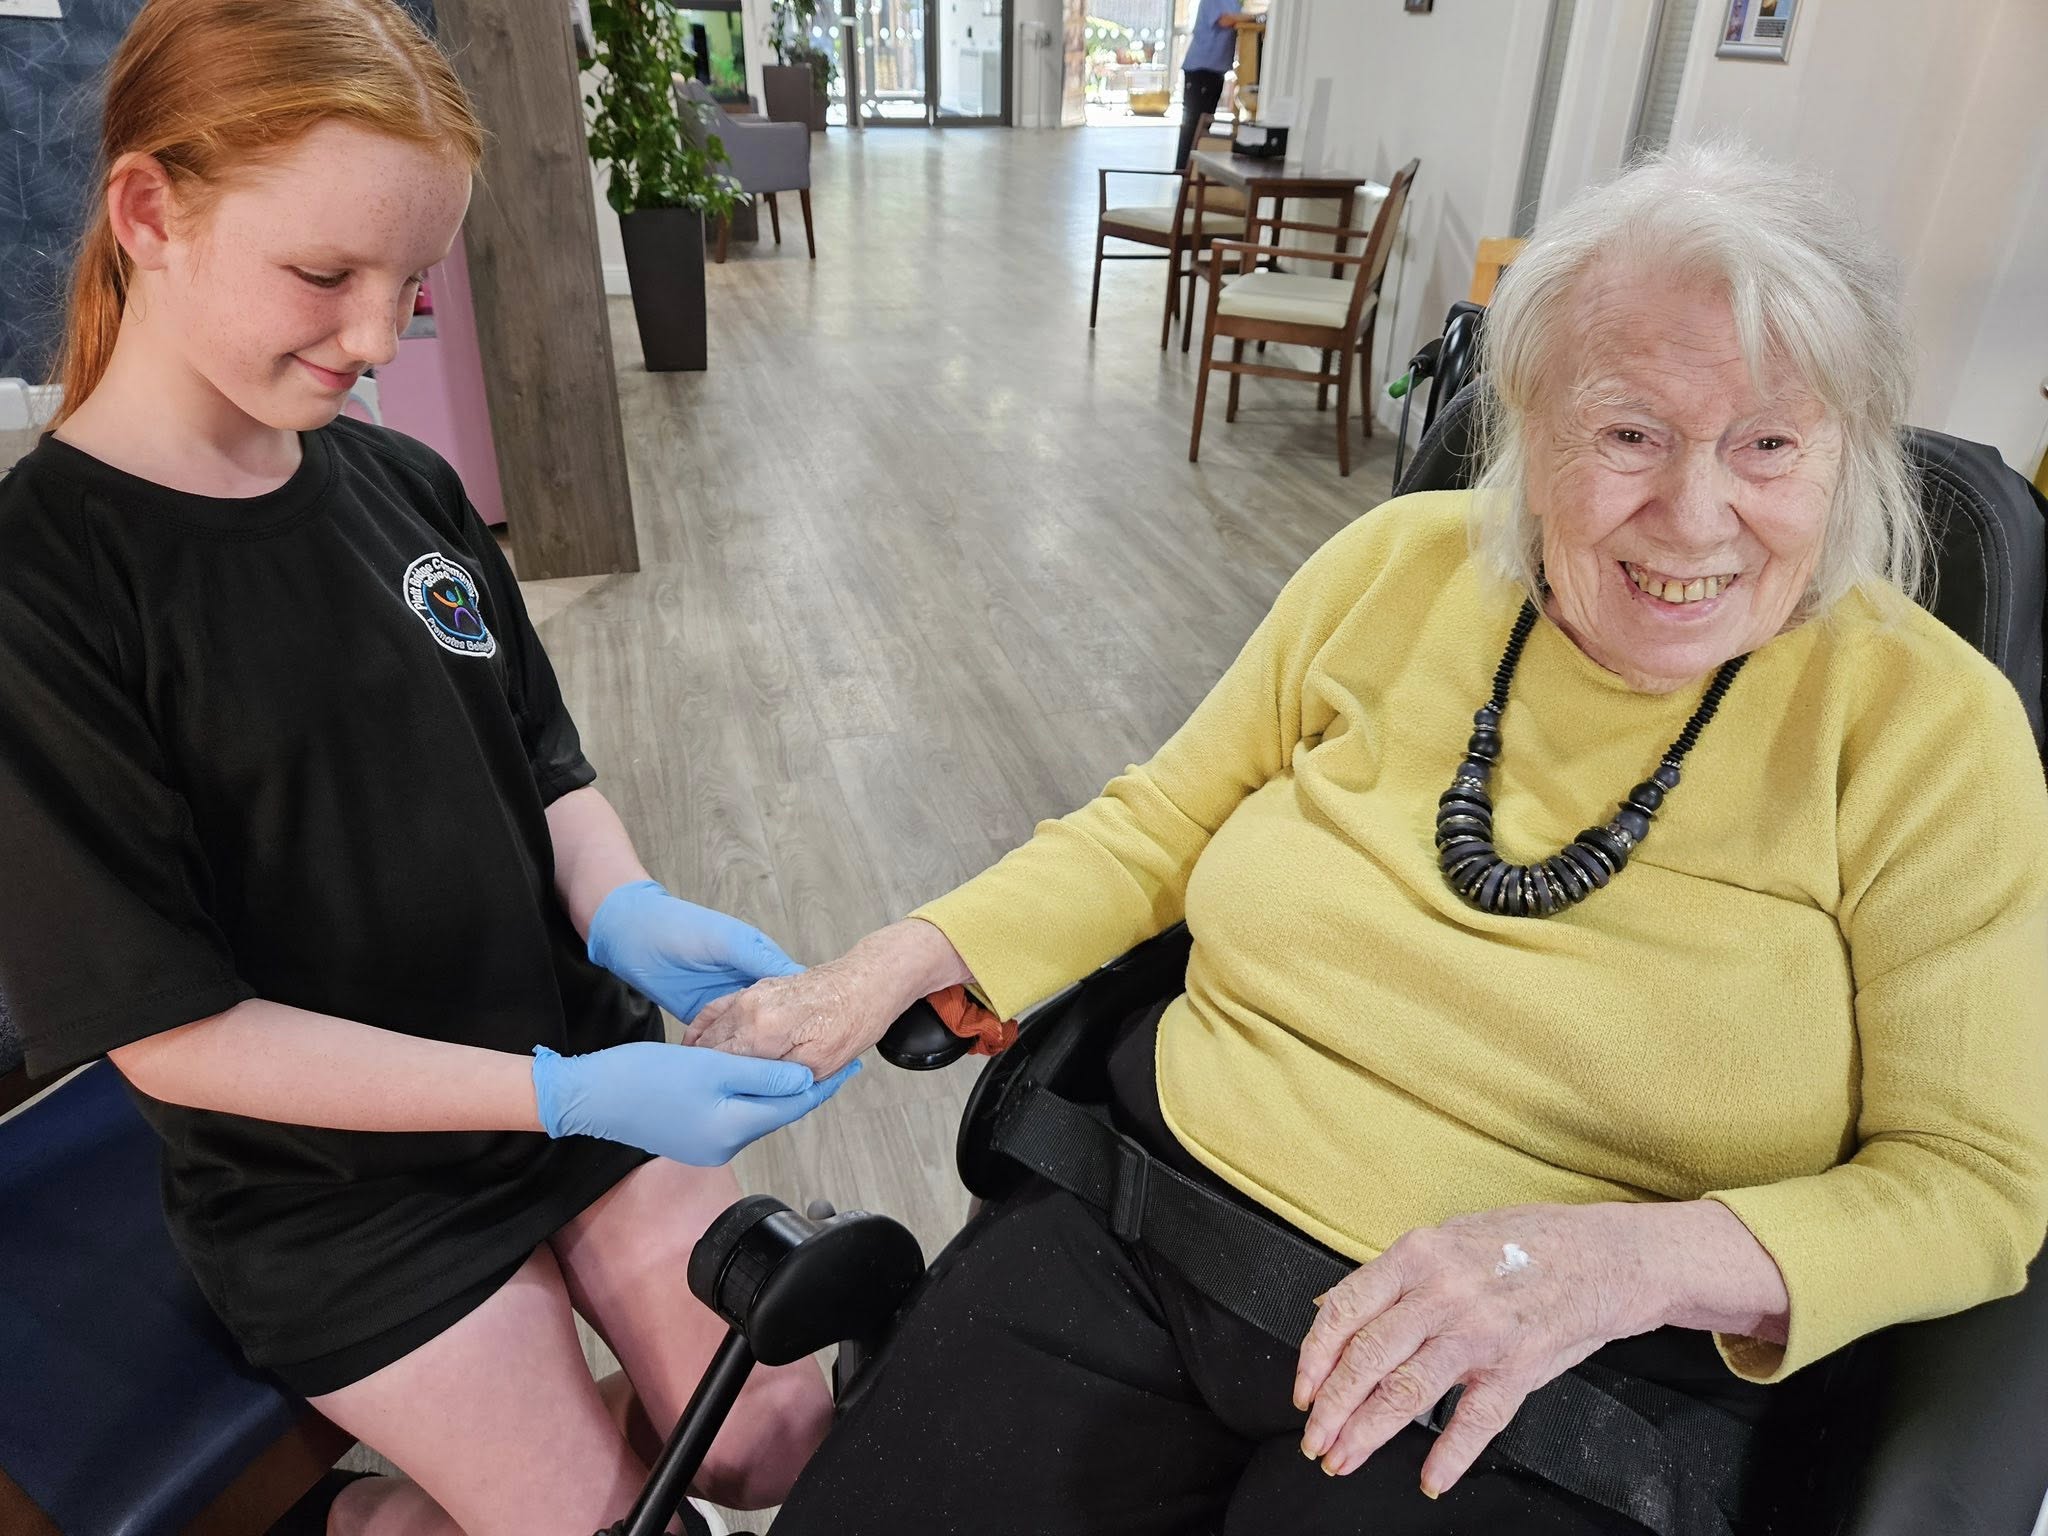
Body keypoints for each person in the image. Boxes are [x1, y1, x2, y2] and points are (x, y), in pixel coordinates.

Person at [685, 143, 2048, 1534]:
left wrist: (1623, 1266)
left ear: (1846, 454)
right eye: (1629, 434)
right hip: (1150, 1226)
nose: (1695, 516)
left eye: (1768, 445)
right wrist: (880, 967)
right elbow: (1159, 824)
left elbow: (1973, 1187)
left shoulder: (1927, 730)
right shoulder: (1396, 569)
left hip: (1549, 1375)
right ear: (1530, 428)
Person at [0, 2, 854, 1532]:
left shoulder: (401, 483)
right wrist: (560, 1094)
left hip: (559, 1057)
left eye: (409, 285)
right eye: (324, 276)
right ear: (150, 214)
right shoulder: (44, 592)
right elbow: (173, 1034)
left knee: (773, 1436)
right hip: (335, 1191)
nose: (374, 338)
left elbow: (539, 761)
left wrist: (621, 906)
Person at [1175, 0, 1244, 171]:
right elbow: (1225, 20)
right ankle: (1184, 170)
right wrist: (1257, 17)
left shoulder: (1234, 2)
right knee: (1194, 122)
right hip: (1201, 67)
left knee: (1205, 123)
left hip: (1216, 69)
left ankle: (1193, 170)